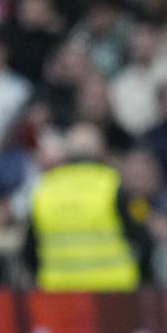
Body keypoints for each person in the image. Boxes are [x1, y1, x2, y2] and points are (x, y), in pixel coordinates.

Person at [24, 123, 153, 291]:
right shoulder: (113, 184)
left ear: (68, 153)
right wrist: (143, 277)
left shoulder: (44, 188)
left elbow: (29, 250)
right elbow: (142, 239)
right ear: (100, 152)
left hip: (59, 291)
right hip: (112, 290)